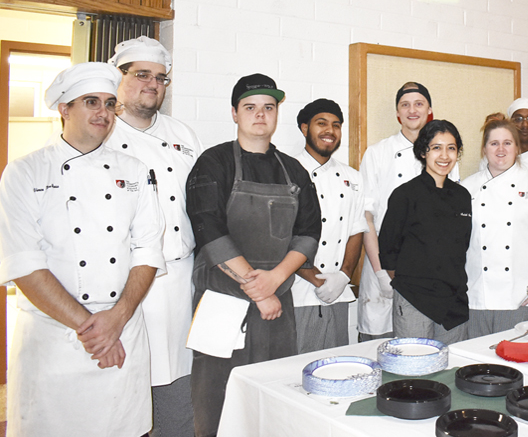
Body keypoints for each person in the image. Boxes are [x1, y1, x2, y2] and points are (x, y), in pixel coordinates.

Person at [0, 62, 166, 437]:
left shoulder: (135, 171)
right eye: (91, 102)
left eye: (110, 104)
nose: (103, 113)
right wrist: (93, 330)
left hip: (122, 333)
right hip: (56, 342)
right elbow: (25, 264)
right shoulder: (25, 172)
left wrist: (117, 318)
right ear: (64, 108)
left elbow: (147, 251)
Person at [185, 74, 321, 436]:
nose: (260, 115)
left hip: (277, 302)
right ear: (234, 113)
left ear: (277, 114)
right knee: (215, 398)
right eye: (250, 107)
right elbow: (208, 228)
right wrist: (256, 287)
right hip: (221, 299)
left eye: (268, 107)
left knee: (273, 394)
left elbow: (309, 233)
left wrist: (273, 282)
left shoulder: (293, 170)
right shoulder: (212, 163)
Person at [107, 36, 201, 437]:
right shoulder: (102, 134)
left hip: (180, 279)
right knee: (125, 383)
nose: (152, 84)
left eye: (161, 78)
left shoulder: (183, 135)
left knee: (178, 380)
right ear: (119, 79)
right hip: (123, 282)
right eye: (141, 74)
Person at [357, 82, 458, 340]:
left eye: (419, 104)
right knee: (381, 346)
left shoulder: (444, 155)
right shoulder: (377, 153)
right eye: (405, 105)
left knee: (422, 347)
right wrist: (381, 272)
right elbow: (366, 216)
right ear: (398, 114)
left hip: (430, 274)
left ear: (429, 110)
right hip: (382, 267)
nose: (412, 110)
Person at [462, 114, 528, 338]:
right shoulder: (467, 188)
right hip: (476, 296)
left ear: (517, 148)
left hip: (521, 298)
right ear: (484, 149)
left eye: (507, 143)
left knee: (515, 365)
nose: (501, 149)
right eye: (494, 143)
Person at [379, 119, 472, 344]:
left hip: (453, 300)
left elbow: (461, 247)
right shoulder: (405, 194)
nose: (444, 156)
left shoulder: (462, 196)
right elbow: (388, 248)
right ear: (423, 152)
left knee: (451, 367)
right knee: (415, 367)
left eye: (451, 148)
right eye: (436, 148)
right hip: (414, 298)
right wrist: (411, 280)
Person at [292, 98, 367, 353]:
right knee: (296, 373)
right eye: (321, 123)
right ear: (304, 128)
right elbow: (283, 236)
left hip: (339, 293)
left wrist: (344, 275)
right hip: (298, 292)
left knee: (336, 369)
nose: (330, 131)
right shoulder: (286, 171)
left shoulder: (353, 177)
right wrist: (315, 278)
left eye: (336, 125)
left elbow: (356, 230)